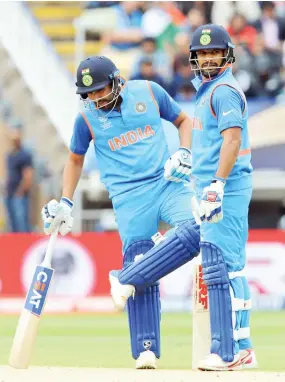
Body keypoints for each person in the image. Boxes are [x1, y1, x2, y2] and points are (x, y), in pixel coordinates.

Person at [109, 24, 258, 371]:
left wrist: (217, 185)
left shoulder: (222, 90)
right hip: (210, 187)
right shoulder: (207, 90)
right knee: (207, 252)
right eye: (202, 53)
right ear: (193, 58)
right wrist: (190, 165)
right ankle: (130, 278)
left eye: (214, 53)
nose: (208, 58)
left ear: (227, 55)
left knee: (223, 264)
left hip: (228, 188)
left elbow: (232, 141)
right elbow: (209, 143)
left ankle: (232, 351)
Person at [41, 55, 200, 369]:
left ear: (116, 80)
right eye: (89, 94)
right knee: (140, 254)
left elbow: (183, 120)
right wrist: (66, 202)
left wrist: (184, 151)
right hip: (128, 197)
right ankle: (146, 349)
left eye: (101, 90)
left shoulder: (149, 92)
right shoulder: (85, 117)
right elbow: (74, 160)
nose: (96, 98)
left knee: (197, 230)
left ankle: (124, 278)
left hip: (165, 181)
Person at [5, 129, 33, 232]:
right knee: (12, 224)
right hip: (9, 193)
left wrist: (20, 191)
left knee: (22, 223)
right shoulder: (9, 155)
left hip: (19, 194)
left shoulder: (25, 155)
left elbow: (28, 175)